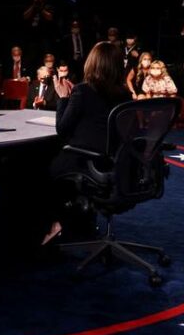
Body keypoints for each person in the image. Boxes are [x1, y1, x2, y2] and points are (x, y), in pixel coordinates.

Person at [43, 42, 132, 245]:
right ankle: (80, 221)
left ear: (92, 64)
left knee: (46, 169)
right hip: (117, 165)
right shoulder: (125, 95)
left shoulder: (83, 91)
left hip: (87, 163)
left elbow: (62, 130)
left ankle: (55, 223)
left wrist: (64, 98)